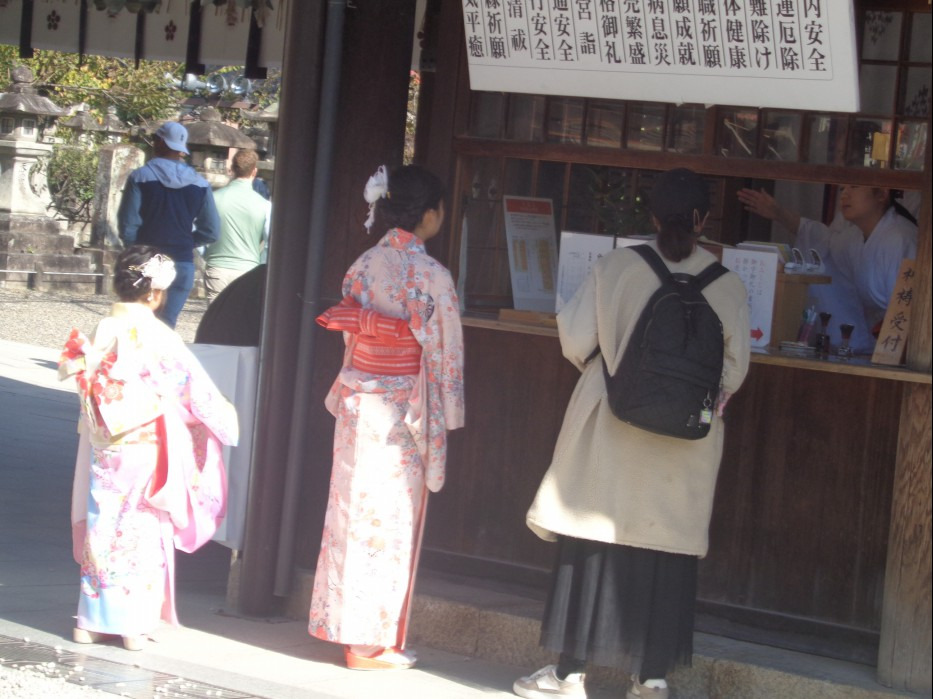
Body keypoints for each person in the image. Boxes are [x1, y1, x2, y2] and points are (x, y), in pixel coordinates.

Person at [514, 169, 750, 699]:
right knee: (667, 547)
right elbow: (733, 373)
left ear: (652, 216)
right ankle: (651, 678)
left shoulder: (616, 267)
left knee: (592, 535)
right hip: (685, 439)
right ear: (704, 220)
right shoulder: (728, 284)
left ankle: (568, 674)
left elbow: (576, 340)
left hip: (610, 421)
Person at [309, 165, 465, 670]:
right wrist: (449, 412)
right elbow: (445, 353)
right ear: (429, 214)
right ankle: (368, 643)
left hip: (359, 401)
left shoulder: (363, 264)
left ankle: (349, 631)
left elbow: (351, 332)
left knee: (351, 512)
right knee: (389, 519)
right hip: (403, 410)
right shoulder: (433, 277)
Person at [58, 245, 238, 651]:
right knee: (140, 526)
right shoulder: (158, 335)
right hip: (145, 442)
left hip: (104, 442)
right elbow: (194, 391)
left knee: (103, 521)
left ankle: (90, 620)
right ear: (155, 294)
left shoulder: (104, 328)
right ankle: (132, 624)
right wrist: (225, 420)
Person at [737, 185, 917, 353]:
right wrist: (779, 214)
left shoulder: (900, 238)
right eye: (842, 188)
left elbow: (908, 306)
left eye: (854, 187)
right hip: (879, 337)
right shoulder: (854, 237)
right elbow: (823, 242)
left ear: (882, 194)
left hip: (903, 339)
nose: (845, 194)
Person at [117, 121, 221, 328]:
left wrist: (135, 250)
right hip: (182, 262)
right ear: (181, 149)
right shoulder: (200, 183)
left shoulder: (140, 177)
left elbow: (128, 225)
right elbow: (211, 230)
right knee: (166, 325)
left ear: (160, 142)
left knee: (138, 323)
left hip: (146, 261)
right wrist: (188, 241)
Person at [202, 149, 272, 300]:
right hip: (248, 270)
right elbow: (268, 243)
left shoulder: (213, 199)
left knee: (216, 314)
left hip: (217, 267)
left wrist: (206, 254)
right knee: (242, 314)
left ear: (232, 169)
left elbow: (199, 229)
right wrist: (261, 266)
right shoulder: (265, 205)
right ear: (254, 171)